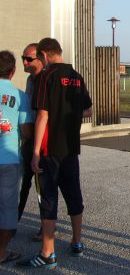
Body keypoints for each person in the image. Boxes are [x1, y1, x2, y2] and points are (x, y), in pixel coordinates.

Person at [17, 38, 92, 269]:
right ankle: (77, 242)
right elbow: (87, 109)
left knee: (48, 198)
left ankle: (48, 252)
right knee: (74, 195)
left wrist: (36, 151)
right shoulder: (77, 77)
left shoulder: (46, 77)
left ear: (45, 56)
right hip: (71, 148)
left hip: (50, 150)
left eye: (38, 58)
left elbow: (42, 116)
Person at [0, 51, 33, 264]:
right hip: (9, 158)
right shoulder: (20, 96)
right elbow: (27, 131)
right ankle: (1, 251)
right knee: (8, 206)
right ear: (12, 72)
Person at [17, 43, 44, 241]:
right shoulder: (29, 79)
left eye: (28, 59)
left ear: (40, 58)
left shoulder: (46, 80)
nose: (25, 62)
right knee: (24, 181)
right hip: (29, 136)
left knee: (43, 184)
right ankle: (11, 223)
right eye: (23, 58)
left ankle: (46, 225)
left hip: (43, 139)